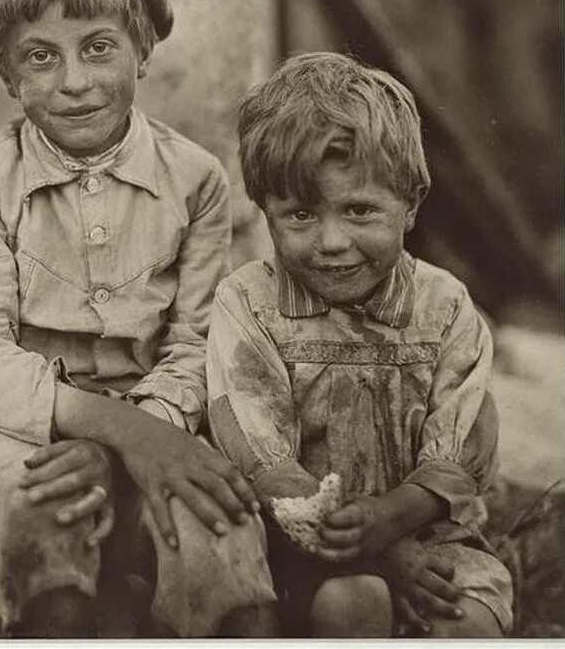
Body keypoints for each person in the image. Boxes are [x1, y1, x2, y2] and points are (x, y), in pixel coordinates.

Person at [0, 0, 278, 638]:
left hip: (165, 417)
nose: (75, 81)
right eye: (40, 57)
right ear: (8, 77)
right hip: (24, 427)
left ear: (143, 48)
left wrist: (149, 429)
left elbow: (198, 341)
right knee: (36, 512)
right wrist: (105, 431)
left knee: (220, 521)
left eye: (98, 47)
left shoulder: (197, 181)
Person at [205, 51, 513, 637]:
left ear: (411, 206)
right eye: (299, 215)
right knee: (353, 604)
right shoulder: (248, 306)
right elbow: (259, 455)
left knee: (468, 620)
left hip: (429, 536)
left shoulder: (444, 306)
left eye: (360, 210)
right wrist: (372, 550)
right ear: (264, 213)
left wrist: (391, 524)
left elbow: (462, 446)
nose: (332, 241)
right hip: (297, 547)